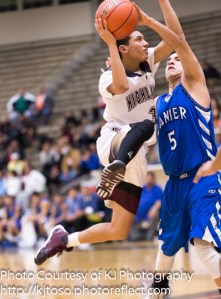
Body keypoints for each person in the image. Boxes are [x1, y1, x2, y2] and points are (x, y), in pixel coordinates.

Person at [34, 2, 181, 266]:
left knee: (118, 230)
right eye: (139, 38)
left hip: (136, 155)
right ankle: (116, 167)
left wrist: (147, 20)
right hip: (113, 140)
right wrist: (110, 43)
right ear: (123, 48)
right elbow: (123, 84)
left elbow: (176, 41)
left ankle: (64, 239)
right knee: (147, 125)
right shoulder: (106, 79)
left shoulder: (147, 64)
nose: (146, 42)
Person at [146, 1, 221, 298]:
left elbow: (178, 40)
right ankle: (157, 293)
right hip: (174, 185)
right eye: (169, 60)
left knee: (203, 245)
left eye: (177, 58)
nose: (172, 60)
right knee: (166, 247)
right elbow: (148, 138)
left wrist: (159, 6)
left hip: (202, 177)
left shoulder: (194, 86)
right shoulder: (158, 104)